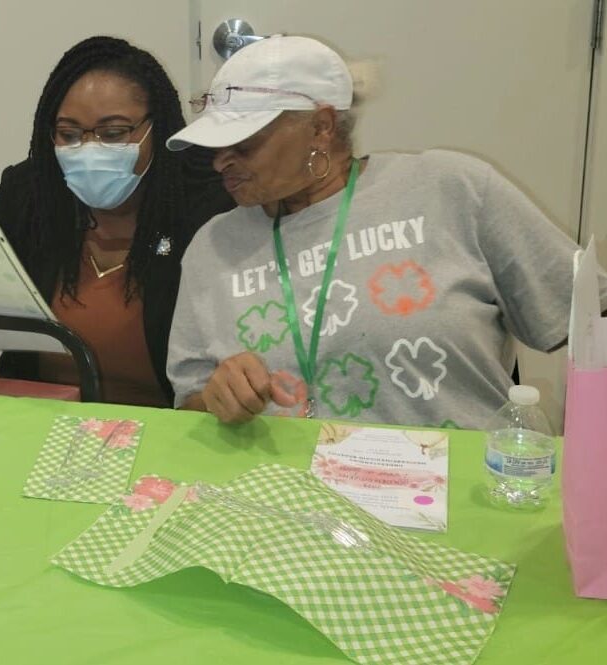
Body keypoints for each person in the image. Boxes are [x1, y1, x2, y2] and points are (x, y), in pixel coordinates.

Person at [165, 35, 606, 429]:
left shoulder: (450, 189)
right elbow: (190, 406)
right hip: (287, 498)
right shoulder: (214, 246)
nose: (221, 160)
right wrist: (217, 399)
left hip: (457, 492)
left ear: (320, 126)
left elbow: (594, 320)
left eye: (244, 142)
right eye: (216, 144)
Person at [0, 36, 233, 407]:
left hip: (167, 428)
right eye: (69, 134)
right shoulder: (29, 194)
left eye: (113, 133)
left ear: (158, 128)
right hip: (39, 422)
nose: (89, 149)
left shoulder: (206, 204)